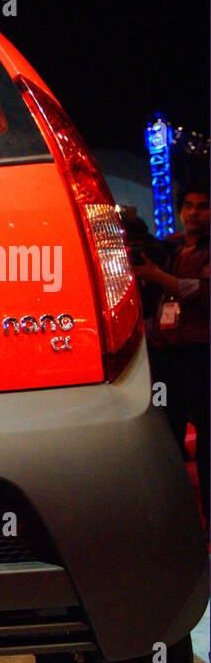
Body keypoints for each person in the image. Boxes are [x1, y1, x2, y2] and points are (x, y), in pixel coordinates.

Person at [136, 184, 209, 526]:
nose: (194, 213)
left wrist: (155, 275)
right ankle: (180, 523)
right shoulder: (175, 247)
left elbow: (194, 290)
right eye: (189, 206)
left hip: (200, 353)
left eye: (203, 207)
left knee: (206, 436)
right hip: (168, 351)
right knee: (168, 434)